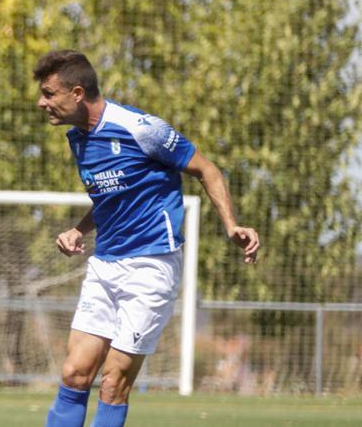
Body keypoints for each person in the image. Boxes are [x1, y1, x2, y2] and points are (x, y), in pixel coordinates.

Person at [33, 50, 260, 426]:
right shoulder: (78, 139)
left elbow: (208, 170)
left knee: (113, 381)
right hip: (105, 264)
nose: (42, 103)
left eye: (48, 93)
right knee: (75, 372)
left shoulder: (141, 128)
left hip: (151, 266)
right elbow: (112, 197)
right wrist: (79, 229)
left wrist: (231, 224)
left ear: (76, 92)